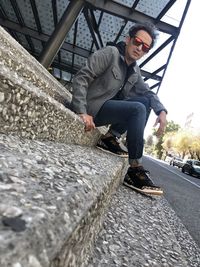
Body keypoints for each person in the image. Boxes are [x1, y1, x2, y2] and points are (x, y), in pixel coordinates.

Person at [71, 22, 167, 195]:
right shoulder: (111, 53)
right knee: (137, 108)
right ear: (128, 39)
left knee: (144, 101)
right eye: (137, 42)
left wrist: (161, 111)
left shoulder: (135, 71)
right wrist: (81, 111)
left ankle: (110, 137)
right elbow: (81, 77)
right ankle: (135, 168)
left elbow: (148, 93)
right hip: (92, 108)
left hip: (107, 112)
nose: (139, 48)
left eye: (145, 47)